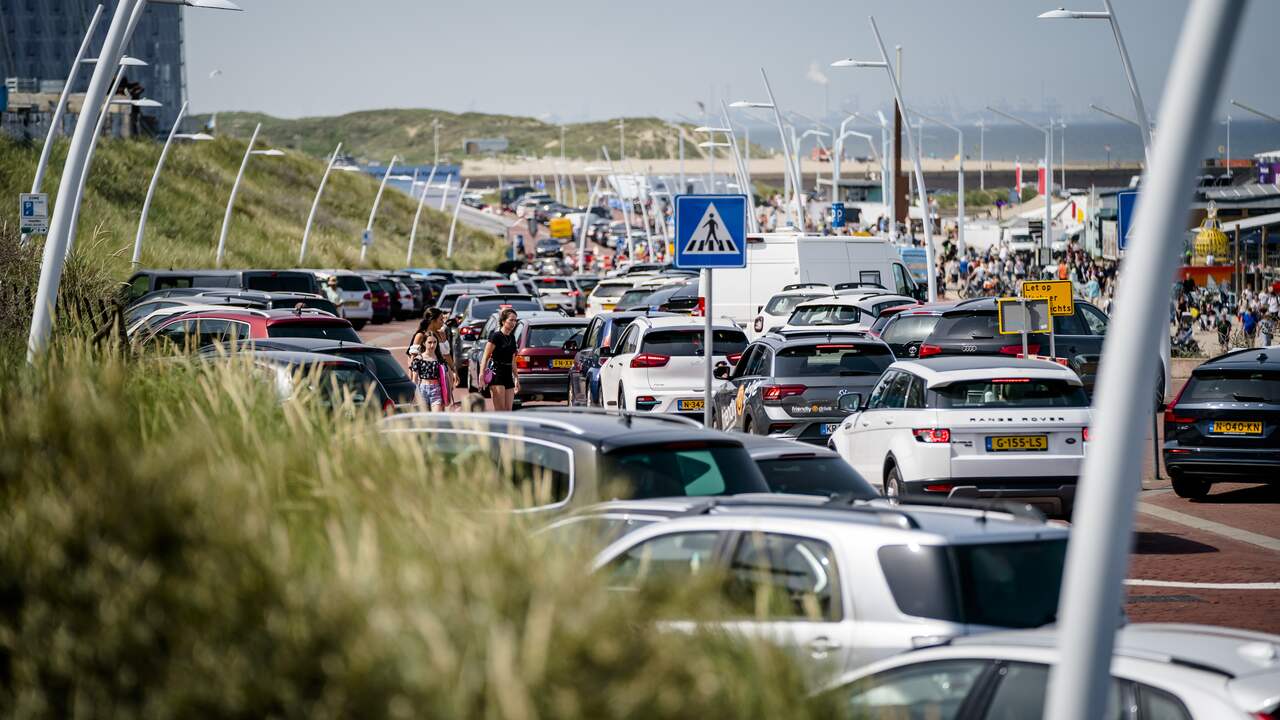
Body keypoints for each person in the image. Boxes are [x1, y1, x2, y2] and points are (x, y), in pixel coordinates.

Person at [480, 308, 521, 411]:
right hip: (497, 373)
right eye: (511, 320)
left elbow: (512, 359)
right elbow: (485, 356)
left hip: (508, 374)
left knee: (508, 411)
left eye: (515, 320)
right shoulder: (495, 336)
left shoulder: (512, 337)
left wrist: (516, 377)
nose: (513, 323)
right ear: (503, 321)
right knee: (501, 411)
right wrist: (481, 375)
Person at [409, 335, 448, 412]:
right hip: (422, 389)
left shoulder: (440, 359)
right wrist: (415, 394)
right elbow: (415, 379)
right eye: (429, 342)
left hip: (436, 390)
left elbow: (445, 377)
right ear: (424, 343)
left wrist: (448, 393)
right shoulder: (418, 359)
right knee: (424, 418)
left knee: (436, 418)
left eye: (435, 342)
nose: (432, 345)